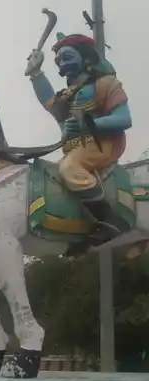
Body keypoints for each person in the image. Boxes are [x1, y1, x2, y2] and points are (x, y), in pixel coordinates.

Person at [25, 32, 132, 250]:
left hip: (102, 146)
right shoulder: (66, 95)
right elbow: (49, 101)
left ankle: (110, 221)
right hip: (74, 149)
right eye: (60, 60)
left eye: (68, 56)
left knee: (69, 169)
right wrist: (36, 73)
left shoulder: (105, 84)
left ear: (85, 57)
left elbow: (124, 118)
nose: (63, 63)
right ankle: (79, 228)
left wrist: (87, 124)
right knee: (52, 179)